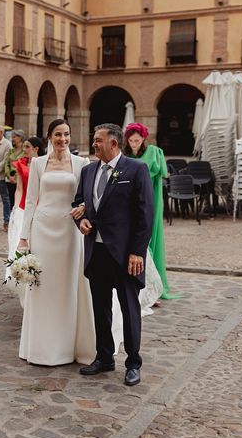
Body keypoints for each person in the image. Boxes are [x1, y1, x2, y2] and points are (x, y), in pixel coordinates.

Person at [74, 123, 154, 387]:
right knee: (100, 307)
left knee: (130, 309)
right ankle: (104, 357)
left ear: (114, 144)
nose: (94, 144)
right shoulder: (87, 171)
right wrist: (82, 221)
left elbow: (145, 215)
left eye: (98, 140)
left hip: (124, 254)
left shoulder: (136, 169)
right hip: (95, 251)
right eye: (94, 140)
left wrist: (137, 253)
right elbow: (79, 203)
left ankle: (133, 363)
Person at [17, 119, 99, 366]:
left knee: (69, 284)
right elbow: (31, 201)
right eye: (57, 135)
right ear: (50, 137)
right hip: (43, 229)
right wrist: (24, 236)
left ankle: (70, 346)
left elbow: (91, 195)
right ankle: (42, 347)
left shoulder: (82, 163)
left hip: (70, 230)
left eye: (66, 134)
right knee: (44, 286)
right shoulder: (39, 163)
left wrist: (84, 207)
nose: (62, 139)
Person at [123, 122, 177, 300]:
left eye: (137, 140)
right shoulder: (125, 155)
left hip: (149, 199)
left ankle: (153, 288)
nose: (134, 143)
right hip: (129, 202)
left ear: (143, 139)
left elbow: (163, 174)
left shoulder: (154, 152)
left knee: (149, 237)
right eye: (131, 140)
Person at [4, 136, 45, 307]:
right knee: (19, 246)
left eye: (27, 146)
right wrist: (16, 208)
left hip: (40, 208)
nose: (24, 149)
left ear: (36, 149)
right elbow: (19, 189)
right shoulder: (20, 164)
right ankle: (23, 282)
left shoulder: (44, 164)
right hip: (23, 208)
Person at [4, 129, 25, 211]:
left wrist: (16, 177)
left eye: (14, 137)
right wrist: (9, 176)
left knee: (19, 202)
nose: (12, 139)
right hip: (10, 180)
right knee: (10, 202)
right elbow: (7, 164)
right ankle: (12, 220)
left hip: (20, 180)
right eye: (12, 137)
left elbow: (24, 165)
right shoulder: (11, 150)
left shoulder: (25, 151)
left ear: (20, 138)